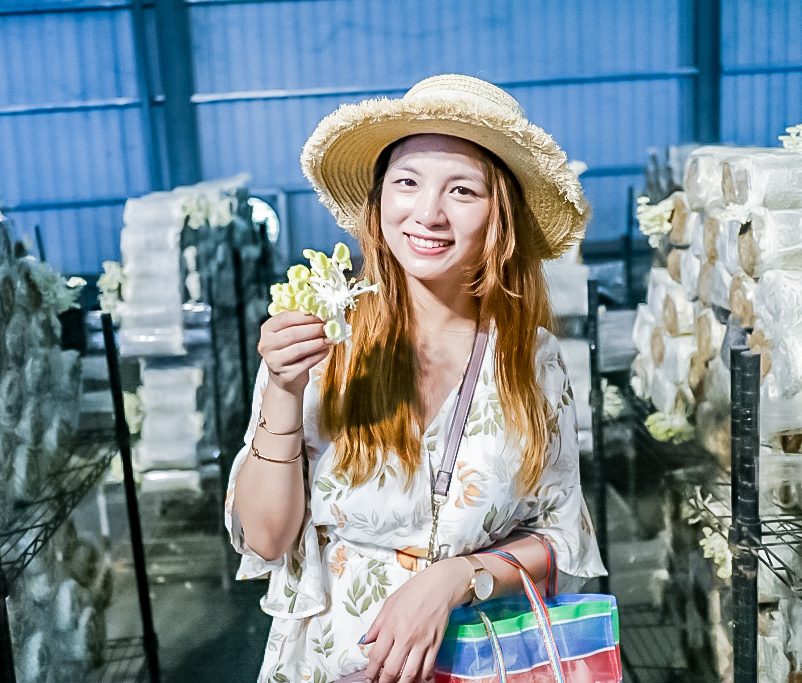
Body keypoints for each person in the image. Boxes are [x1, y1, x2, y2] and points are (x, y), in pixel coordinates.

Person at [226, 74, 605, 683]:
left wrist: (458, 578)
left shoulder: (531, 360)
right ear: (379, 205)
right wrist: (282, 389)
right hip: (334, 658)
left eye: (462, 191)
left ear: (498, 218)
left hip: (481, 660)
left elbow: (560, 537)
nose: (427, 213)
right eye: (407, 183)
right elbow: (267, 540)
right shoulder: (324, 340)